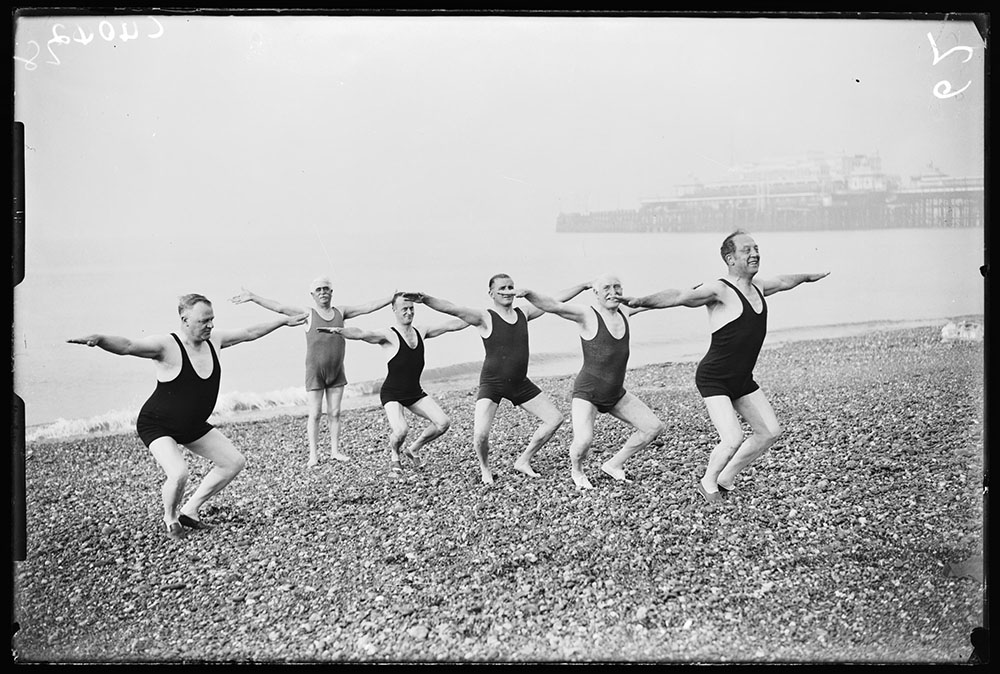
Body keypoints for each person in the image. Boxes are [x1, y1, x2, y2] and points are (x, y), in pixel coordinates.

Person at [68, 293, 307, 539]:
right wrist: (99, 339)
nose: (211, 325)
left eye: (212, 319)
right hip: (157, 425)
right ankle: (170, 519)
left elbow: (249, 332)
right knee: (179, 473)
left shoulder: (215, 340)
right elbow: (129, 346)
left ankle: (190, 511)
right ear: (185, 319)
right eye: (204, 321)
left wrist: (282, 322)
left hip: (191, 425)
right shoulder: (166, 345)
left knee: (234, 462)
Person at [618, 230, 829, 503]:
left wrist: (809, 277)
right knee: (732, 438)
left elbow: (785, 281)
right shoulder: (720, 290)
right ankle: (707, 483)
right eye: (747, 250)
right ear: (730, 258)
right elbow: (680, 296)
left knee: (770, 432)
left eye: (756, 248)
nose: (755, 254)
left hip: (742, 379)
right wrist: (642, 301)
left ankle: (726, 476)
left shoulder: (759, 287)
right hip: (714, 378)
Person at [404, 274, 591, 485]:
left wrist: (584, 286)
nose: (507, 291)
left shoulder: (525, 312)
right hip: (492, 384)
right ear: (491, 293)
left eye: (510, 287)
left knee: (555, 419)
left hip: (520, 383)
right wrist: (425, 298)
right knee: (481, 435)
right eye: (501, 288)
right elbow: (452, 308)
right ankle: (485, 469)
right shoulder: (485, 317)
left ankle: (524, 460)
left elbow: (555, 301)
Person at [516, 274, 666, 489]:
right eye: (606, 288)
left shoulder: (625, 311)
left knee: (653, 428)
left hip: (616, 393)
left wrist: (692, 291)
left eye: (617, 287)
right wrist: (530, 294)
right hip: (587, 393)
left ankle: (614, 465)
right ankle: (577, 472)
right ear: (596, 294)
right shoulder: (587, 314)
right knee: (584, 441)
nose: (612, 292)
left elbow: (655, 303)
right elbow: (554, 306)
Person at [230, 278, 392, 467]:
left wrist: (390, 298)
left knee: (335, 412)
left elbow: (368, 307)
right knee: (315, 413)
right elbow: (280, 307)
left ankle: (335, 451)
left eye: (326, 289)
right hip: (315, 371)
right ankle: (313, 456)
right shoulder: (308, 313)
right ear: (313, 295)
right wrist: (252, 297)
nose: (323, 292)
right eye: (319, 290)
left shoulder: (341, 311)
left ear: (332, 292)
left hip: (337, 370)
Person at [319, 292, 470, 476]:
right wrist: (339, 331)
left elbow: (450, 326)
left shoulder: (421, 331)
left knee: (443, 423)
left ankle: (413, 449)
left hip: (415, 392)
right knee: (401, 430)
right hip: (392, 393)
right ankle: (394, 455)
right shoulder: (388, 335)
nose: (408, 312)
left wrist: (475, 318)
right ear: (394, 310)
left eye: (411, 309)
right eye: (404, 309)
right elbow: (362, 334)